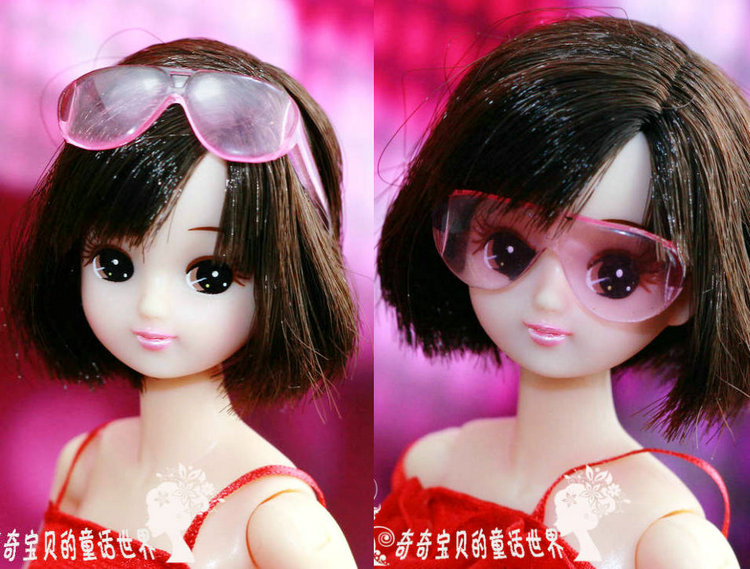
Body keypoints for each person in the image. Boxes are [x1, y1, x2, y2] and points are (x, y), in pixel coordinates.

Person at [375, 16, 748, 568]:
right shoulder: (432, 467)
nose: (547, 298)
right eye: (507, 249)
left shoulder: (667, 543)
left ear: (690, 293)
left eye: (615, 274)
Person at [8, 38, 358, 568]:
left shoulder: (279, 524)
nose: (151, 306)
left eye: (210, 276)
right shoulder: (82, 463)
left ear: (283, 279)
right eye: (113, 264)